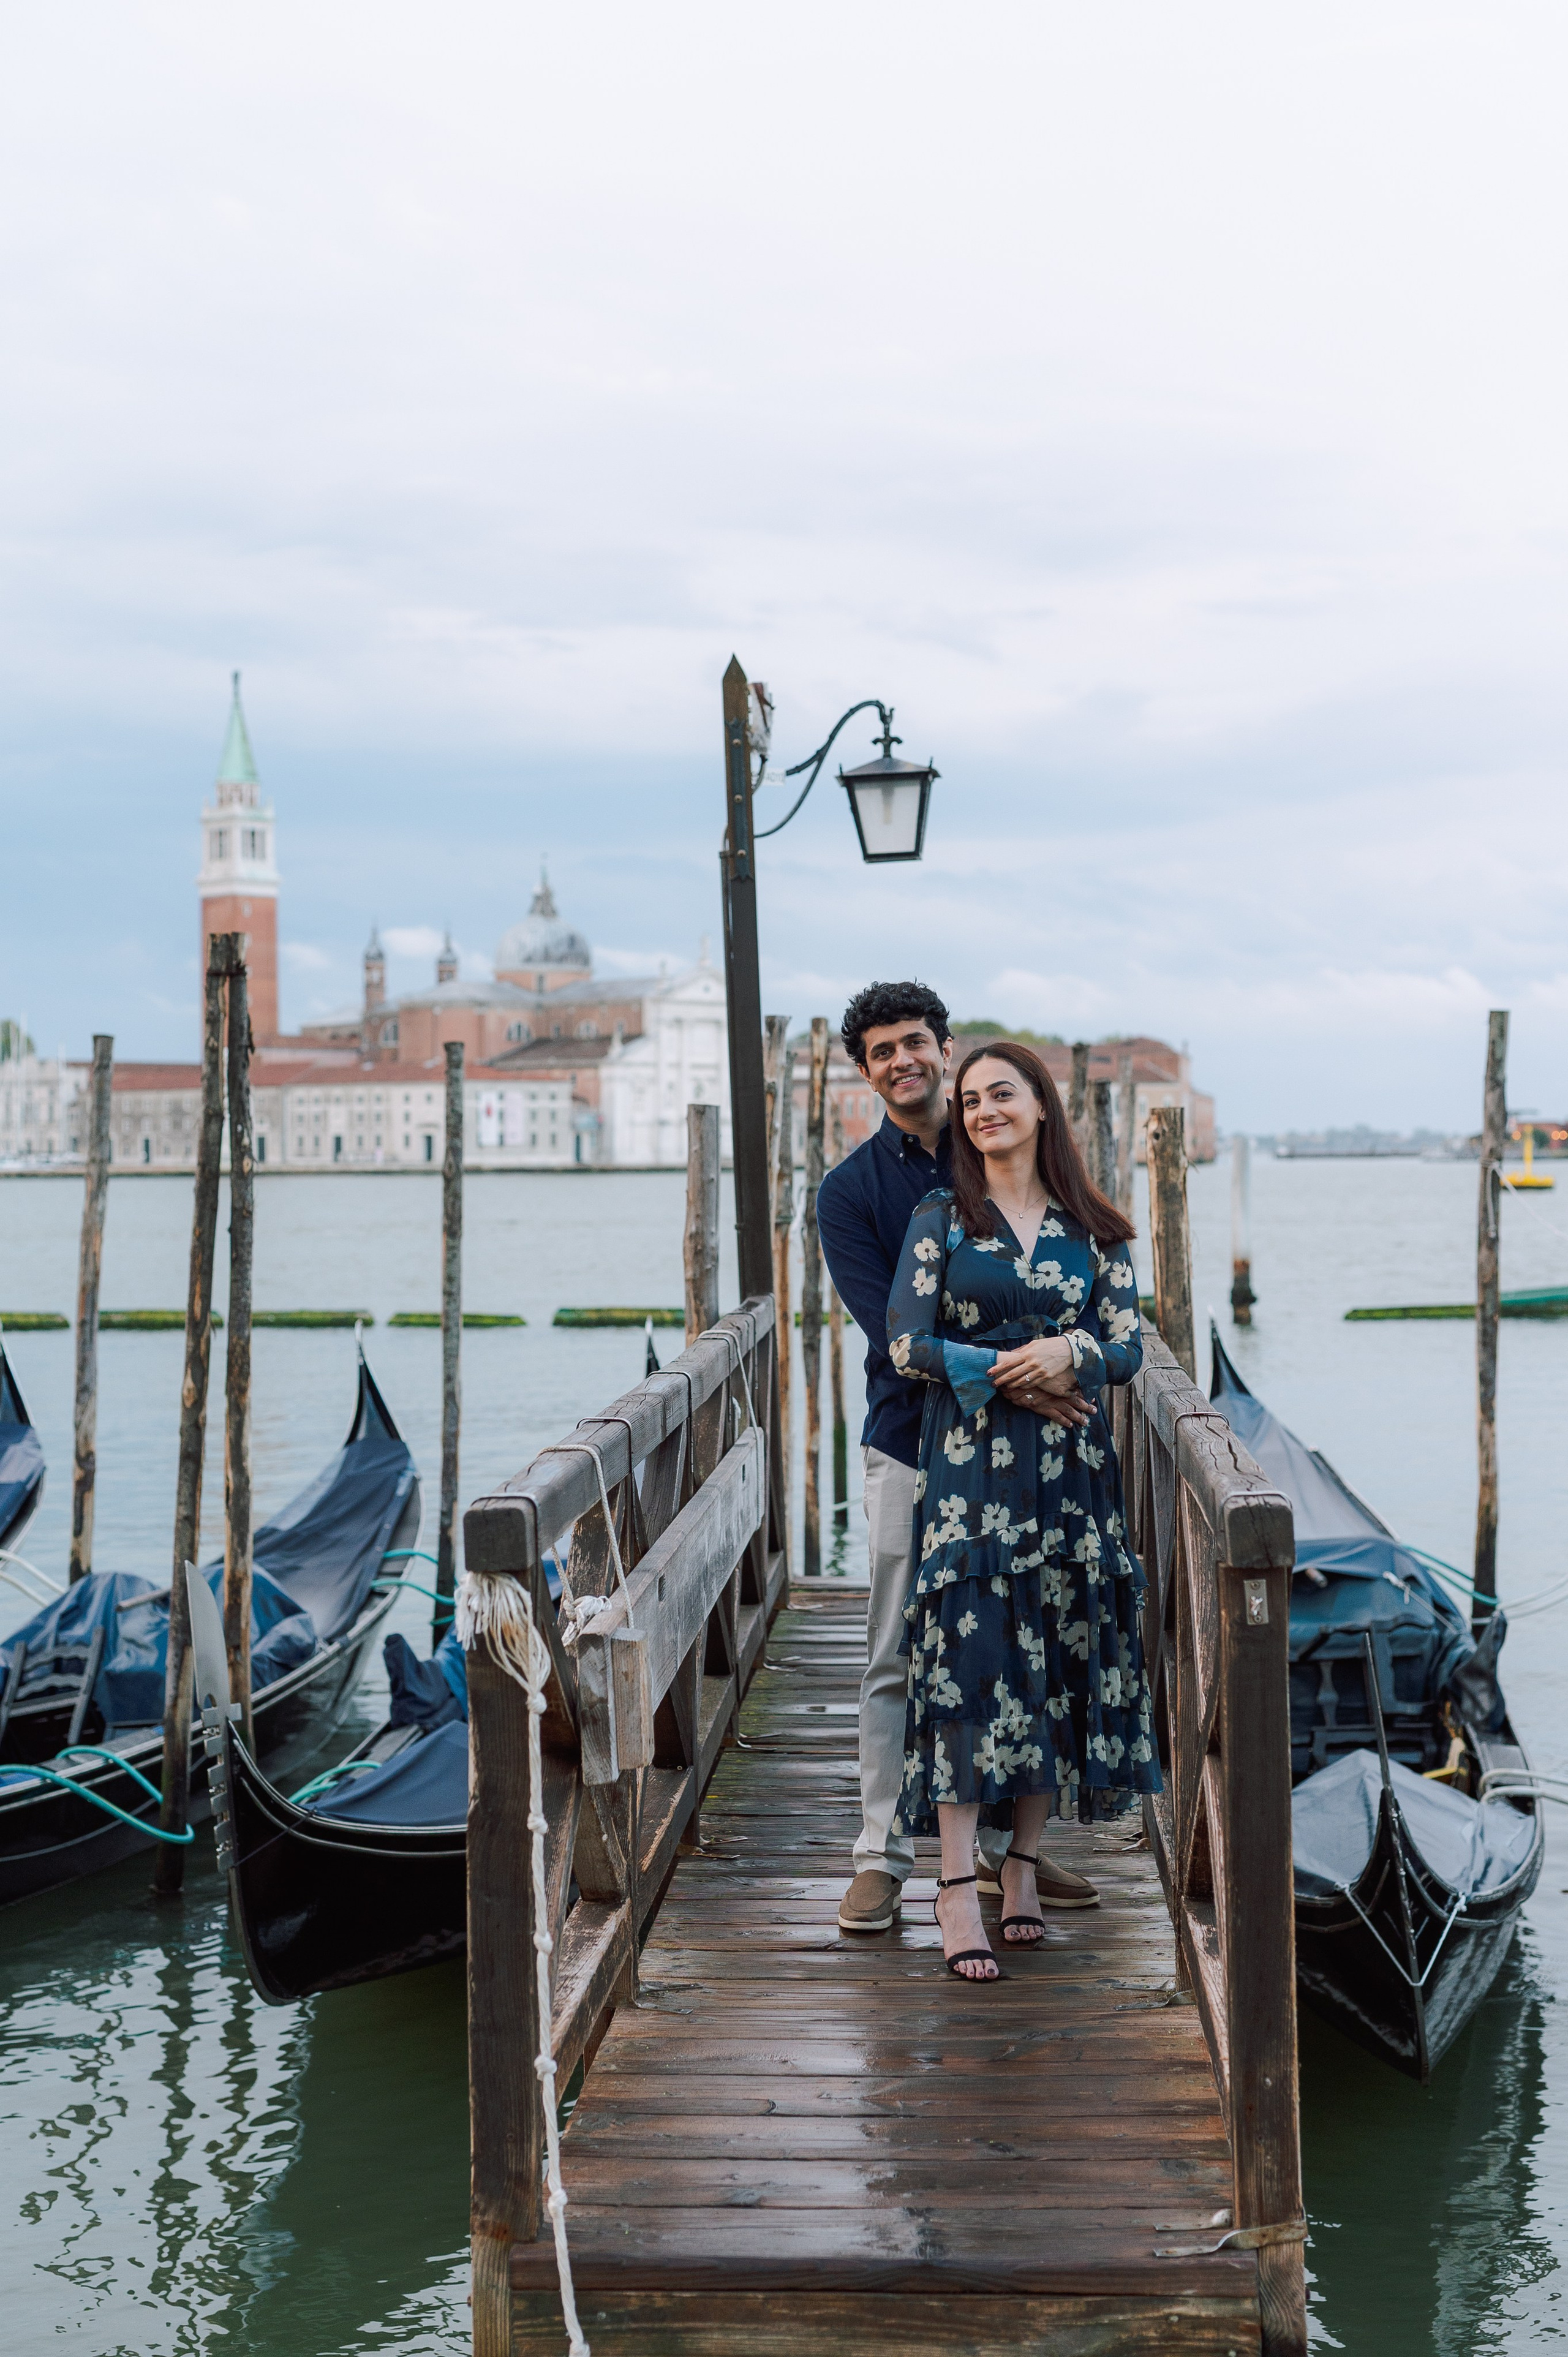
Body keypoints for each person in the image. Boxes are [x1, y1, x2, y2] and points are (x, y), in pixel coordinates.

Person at [816, 987, 1100, 1936]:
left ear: (946, 1050)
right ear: (865, 1070)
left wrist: (1070, 1358)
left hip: (1024, 1459)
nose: (903, 1060)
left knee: (1021, 1643)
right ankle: (879, 1856)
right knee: (897, 1651)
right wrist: (1035, 1375)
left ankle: (999, 1853)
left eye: (916, 1043)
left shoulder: (1005, 1145)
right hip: (910, 1443)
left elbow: (1080, 1298)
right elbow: (896, 1331)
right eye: (882, 1050)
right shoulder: (850, 1194)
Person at [885, 1038, 1161, 1979]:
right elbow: (905, 1346)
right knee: (972, 1659)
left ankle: (1026, 1869)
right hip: (970, 1475)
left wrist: (1072, 1359)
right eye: (968, 1101)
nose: (982, 1111)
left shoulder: (1096, 1229)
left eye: (1001, 1094)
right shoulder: (941, 1219)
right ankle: (955, 1884)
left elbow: (1126, 1342)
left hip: (1072, 1475)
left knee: (1055, 1650)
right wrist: (1013, 1372)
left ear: (1042, 1106)